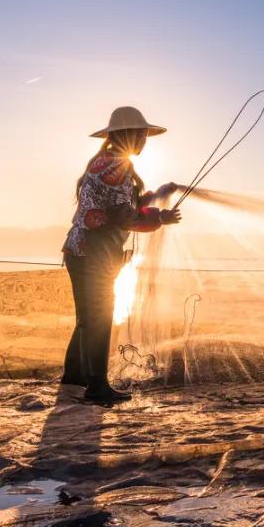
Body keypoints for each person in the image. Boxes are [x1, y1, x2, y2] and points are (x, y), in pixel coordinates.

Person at [61, 106, 182, 404]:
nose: (144, 139)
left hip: (81, 249)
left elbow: (126, 205)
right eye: (140, 134)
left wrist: (156, 195)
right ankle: (97, 387)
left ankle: (74, 377)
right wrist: (160, 217)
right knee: (99, 315)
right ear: (126, 135)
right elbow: (125, 217)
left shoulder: (108, 163)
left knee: (87, 318)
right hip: (94, 251)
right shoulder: (117, 167)